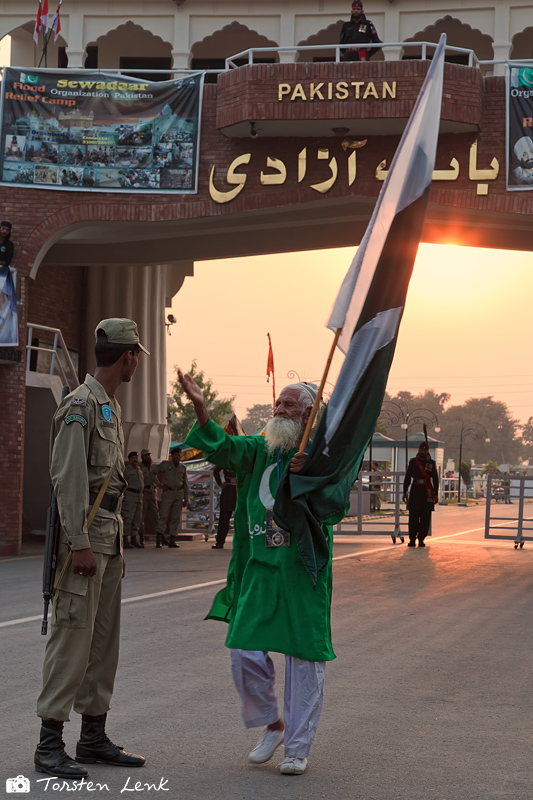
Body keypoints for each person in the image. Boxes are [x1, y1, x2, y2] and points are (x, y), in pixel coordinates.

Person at [180, 370, 335, 776]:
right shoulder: (259, 448)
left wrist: (309, 475)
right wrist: (200, 408)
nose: (279, 409)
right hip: (261, 570)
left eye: (289, 405)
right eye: (278, 403)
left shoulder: (322, 457)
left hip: (302, 572)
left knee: (304, 661)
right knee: (244, 651)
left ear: (308, 416)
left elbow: (334, 505)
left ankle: (298, 750)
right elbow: (223, 446)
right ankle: (274, 724)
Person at [35, 318, 148, 779]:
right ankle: (49, 745)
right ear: (127, 358)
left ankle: (93, 737)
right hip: (85, 540)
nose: (136, 362)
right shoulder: (80, 406)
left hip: (108, 537)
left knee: (102, 644)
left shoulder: (109, 408)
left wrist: (112, 545)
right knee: (72, 641)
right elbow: (69, 480)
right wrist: (79, 543)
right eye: (136, 355)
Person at [403, 441, 439, 547]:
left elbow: (435, 479)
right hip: (415, 491)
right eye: (421, 449)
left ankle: (421, 538)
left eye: (425, 450)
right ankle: (412, 539)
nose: (423, 451)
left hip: (427, 492)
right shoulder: (413, 462)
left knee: (425, 517)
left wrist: (436, 494)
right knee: (413, 517)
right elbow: (408, 477)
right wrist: (405, 491)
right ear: (418, 450)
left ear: (427, 451)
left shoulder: (431, 463)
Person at [153, 446, 189, 548]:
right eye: (176, 455)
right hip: (168, 493)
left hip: (179, 493)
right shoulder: (166, 465)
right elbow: (153, 472)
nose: (178, 456)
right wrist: (159, 484)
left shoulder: (182, 467)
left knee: (176, 517)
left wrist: (186, 498)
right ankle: (159, 539)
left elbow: (185, 484)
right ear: (172, 456)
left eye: (179, 455)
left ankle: (172, 540)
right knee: (163, 516)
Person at [139, 448, 166, 547]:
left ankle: (160, 537)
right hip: (143, 493)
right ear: (142, 457)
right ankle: (140, 537)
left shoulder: (154, 467)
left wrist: (160, 484)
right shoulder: (139, 468)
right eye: (145, 455)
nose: (147, 457)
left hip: (152, 493)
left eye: (149, 455)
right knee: (141, 516)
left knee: (156, 516)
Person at [122, 451, 144, 548]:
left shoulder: (139, 470)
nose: (135, 459)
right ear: (129, 460)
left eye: (136, 457)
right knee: (128, 517)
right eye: (133, 458)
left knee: (137, 518)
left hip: (139, 496)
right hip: (130, 495)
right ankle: (125, 540)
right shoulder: (127, 470)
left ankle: (134, 539)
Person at [212, 467, 237, 549]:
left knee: (242, 519)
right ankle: (220, 542)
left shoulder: (243, 457)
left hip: (240, 490)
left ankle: (242, 544)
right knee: (224, 519)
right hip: (228, 491)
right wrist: (220, 483)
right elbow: (216, 471)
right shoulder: (227, 458)